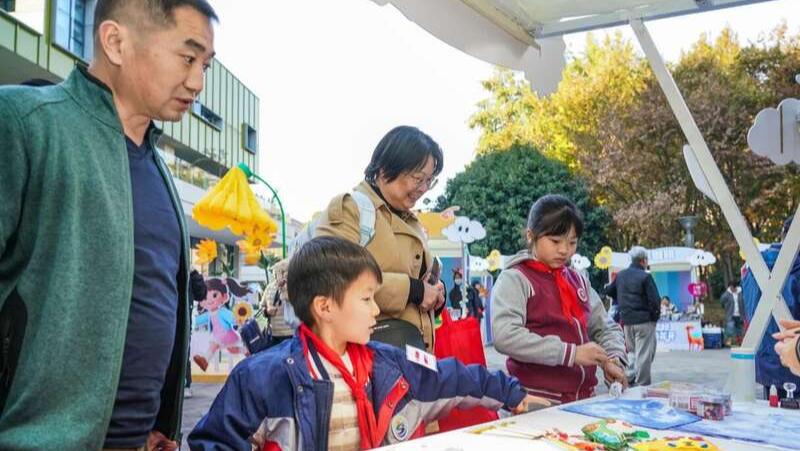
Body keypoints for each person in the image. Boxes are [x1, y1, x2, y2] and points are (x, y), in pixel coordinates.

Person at [0, 1, 217, 449]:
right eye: (187, 58)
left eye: (206, 66)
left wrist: (158, 422)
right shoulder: (23, 123)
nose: (198, 82)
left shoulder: (158, 169)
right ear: (116, 42)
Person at [188, 236, 548, 450]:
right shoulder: (262, 377)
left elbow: (451, 376)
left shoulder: (391, 363)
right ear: (325, 307)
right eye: (366, 299)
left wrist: (513, 395)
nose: (377, 309)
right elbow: (213, 441)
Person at [315, 126, 446, 352]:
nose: (424, 189)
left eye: (430, 180)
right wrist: (414, 291)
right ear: (386, 169)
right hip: (364, 357)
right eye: (418, 179)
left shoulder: (411, 221)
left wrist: (433, 295)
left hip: (409, 355)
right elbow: (331, 275)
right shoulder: (351, 210)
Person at [491, 194, 628, 406]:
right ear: (531, 235)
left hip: (583, 399)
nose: (564, 250)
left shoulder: (578, 281)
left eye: (572, 242)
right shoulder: (516, 278)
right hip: (535, 400)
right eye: (555, 241)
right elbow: (505, 335)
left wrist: (613, 359)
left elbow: (604, 327)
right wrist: (571, 353)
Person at [742, 215, 800, 398]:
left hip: (766, 356)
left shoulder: (754, 265)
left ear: (783, 234)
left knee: (774, 406)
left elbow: (747, 308)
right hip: (794, 356)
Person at [605, 246, 661, 386]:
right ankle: (642, 384)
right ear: (643, 260)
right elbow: (655, 300)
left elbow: (609, 291)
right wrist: (654, 317)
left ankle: (628, 377)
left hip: (627, 321)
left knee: (631, 352)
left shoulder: (621, 275)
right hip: (644, 321)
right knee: (644, 354)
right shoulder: (645, 276)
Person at [261, 259, 295, 348]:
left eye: (279, 272)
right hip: (273, 334)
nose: (275, 274)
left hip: (290, 333)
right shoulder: (269, 287)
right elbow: (263, 306)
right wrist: (267, 311)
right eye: (275, 272)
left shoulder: (294, 286)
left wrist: (284, 286)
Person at [720, 281, 744, 346]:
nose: (731, 289)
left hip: (740, 314)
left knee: (739, 329)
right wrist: (726, 307)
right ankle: (728, 342)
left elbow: (744, 301)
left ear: (735, 287)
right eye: (730, 287)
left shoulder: (741, 292)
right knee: (730, 327)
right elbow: (722, 301)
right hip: (730, 314)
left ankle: (740, 342)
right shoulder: (727, 293)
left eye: (732, 288)